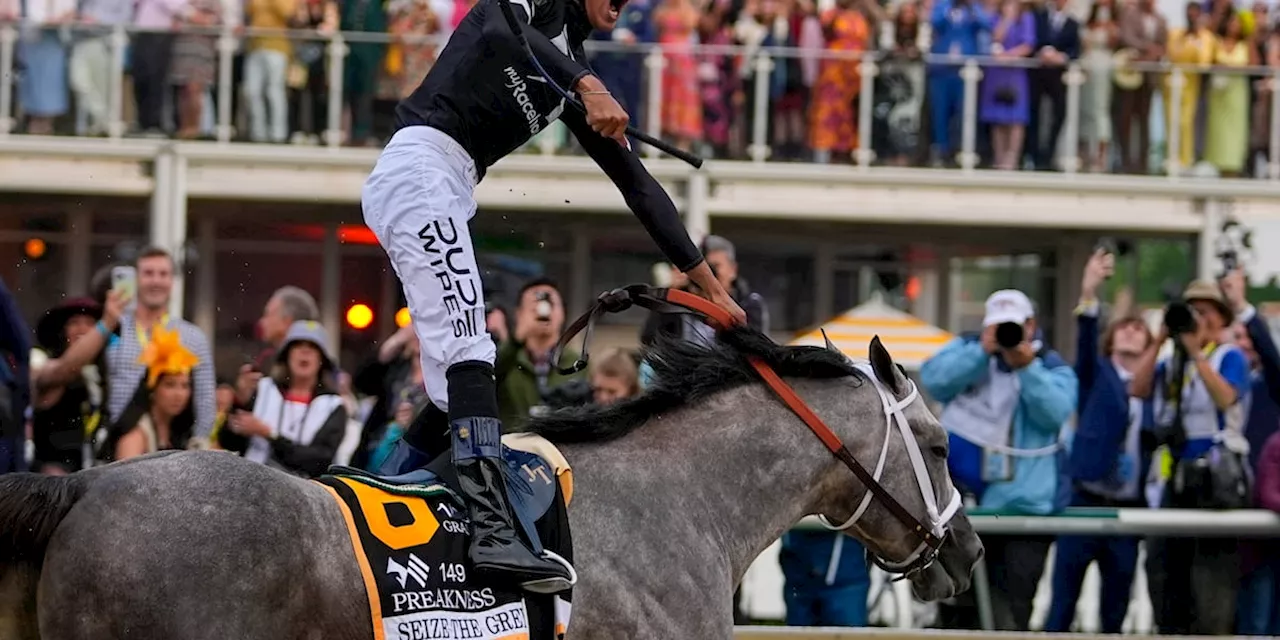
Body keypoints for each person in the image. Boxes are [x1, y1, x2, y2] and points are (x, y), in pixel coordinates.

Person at [360, 0, 746, 593]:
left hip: (451, 186)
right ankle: (493, 530)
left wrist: (712, 286)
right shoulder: (540, 12)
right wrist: (585, 84)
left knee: (450, 379)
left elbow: (639, 187)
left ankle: (375, 496)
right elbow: (497, 22)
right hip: (420, 168)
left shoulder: (570, 66)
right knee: (471, 353)